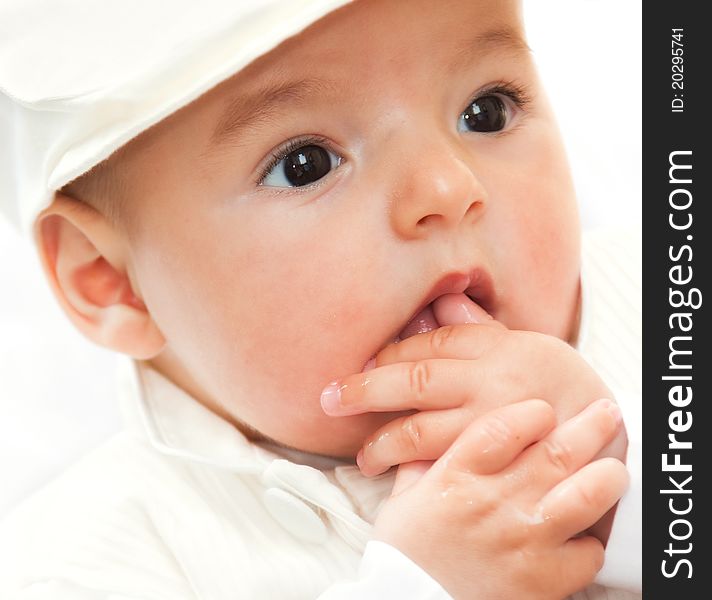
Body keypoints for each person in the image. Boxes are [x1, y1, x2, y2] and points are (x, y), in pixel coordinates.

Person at [0, 0, 641, 598]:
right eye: (306, 163)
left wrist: (627, 490)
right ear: (111, 281)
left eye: (487, 110)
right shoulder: (86, 560)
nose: (448, 187)